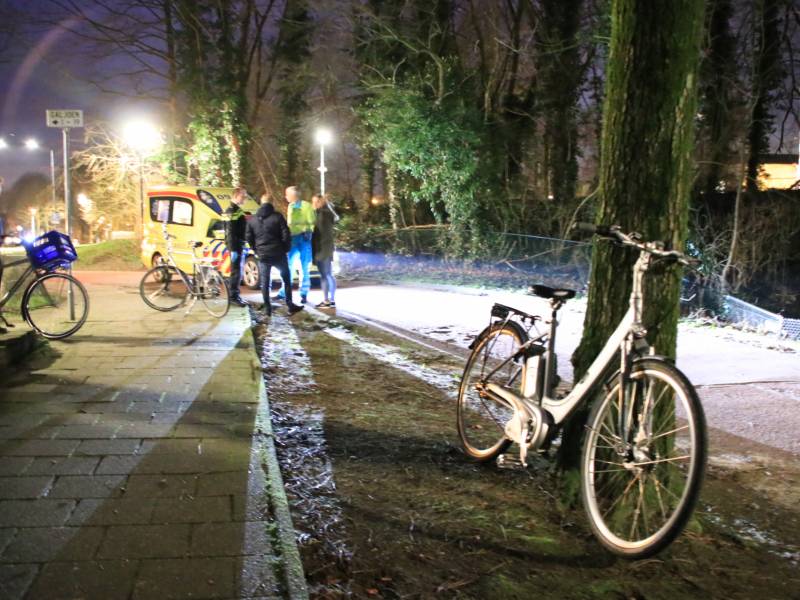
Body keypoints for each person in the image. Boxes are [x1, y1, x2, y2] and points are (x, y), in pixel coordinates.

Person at [246, 195, 303, 317]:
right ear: (272, 203)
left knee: (265, 282)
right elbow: (286, 233)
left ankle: (267, 308)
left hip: (263, 255)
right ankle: (290, 305)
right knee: (286, 279)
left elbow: (249, 237)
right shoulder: (277, 217)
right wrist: (286, 248)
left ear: (261, 203)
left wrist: (255, 250)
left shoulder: (253, 220)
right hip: (278, 253)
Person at [282, 186, 315, 304]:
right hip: (293, 239)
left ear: (293, 195)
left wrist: (308, 231)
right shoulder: (290, 206)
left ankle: (304, 293)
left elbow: (312, 221)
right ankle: (284, 291)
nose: (285, 197)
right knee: (288, 266)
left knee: (304, 267)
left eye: (287, 194)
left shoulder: (306, 206)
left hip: (303, 238)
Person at [224, 187, 249, 306]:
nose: (245, 198)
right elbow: (230, 231)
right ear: (236, 196)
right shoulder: (232, 211)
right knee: (236, 271)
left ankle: (235, 295)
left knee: (237, 270)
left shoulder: (233, 210)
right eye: (243, 196)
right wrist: (233, 248)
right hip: (235, 245)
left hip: (237, 244)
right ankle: (233, 297)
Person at [312, 194, 337, 308]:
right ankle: (331, 299)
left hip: (321, 249)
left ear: (318, 203)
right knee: (329, 275)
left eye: (314, 202)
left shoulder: (320, 215)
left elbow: (317, 234)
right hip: (328, 247)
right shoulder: (328, 213)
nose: (312, 205)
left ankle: (326, 300)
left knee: (324, 275)